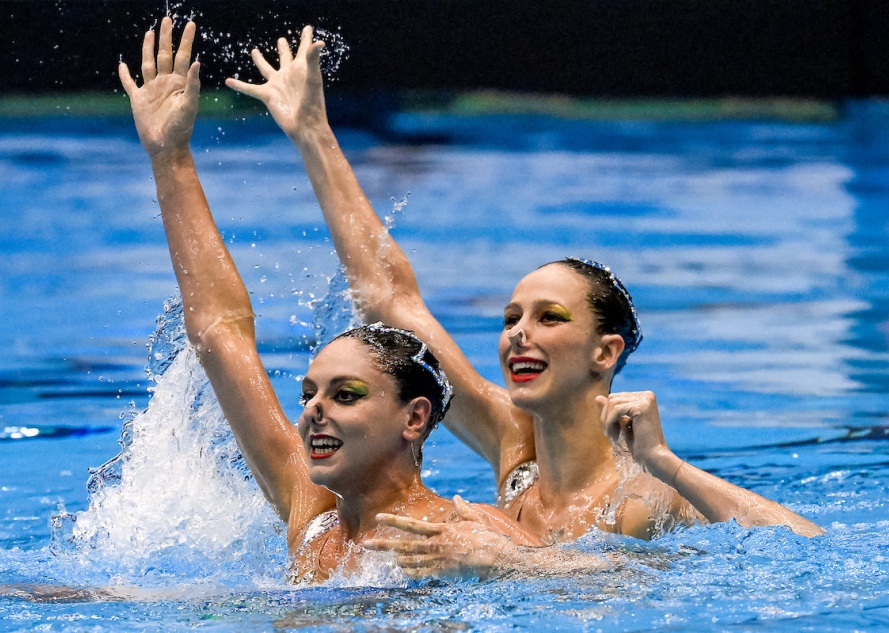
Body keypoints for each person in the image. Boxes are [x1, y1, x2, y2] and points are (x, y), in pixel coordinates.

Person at [225, 27, 824, 544]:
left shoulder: (643, 498)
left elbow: (805, 547)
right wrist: (314, 134)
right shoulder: (515, 446)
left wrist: (667, 464)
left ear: (605, 351)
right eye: (512, 318)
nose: (518, 336)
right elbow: (390, 301)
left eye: (548, 318)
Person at [117, 16, 542, 584]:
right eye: (310, 394)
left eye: (346, 395)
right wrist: (170, 159)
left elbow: (616, 579)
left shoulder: (463, 531)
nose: (314, 410)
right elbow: (220, 334)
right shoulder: (314, 522)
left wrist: (511, 564)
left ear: (414, 418)